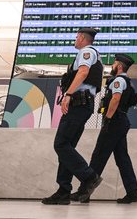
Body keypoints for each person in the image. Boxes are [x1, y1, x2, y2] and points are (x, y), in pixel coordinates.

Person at [42, 27, 104, 205]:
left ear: (83, 38)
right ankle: (63, 190)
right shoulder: (94, 54)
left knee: (61, 144)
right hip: (84, 104)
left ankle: (89, 176)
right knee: (67, 147)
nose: (75, 40)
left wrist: (67, 95)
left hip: (78, 103)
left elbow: (83, 73)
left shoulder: (86, 52)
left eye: (77, 37)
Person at [70, 54, 137, 203]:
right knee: (122, 159)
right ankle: (133, 192)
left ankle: (84, 192)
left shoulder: (118, 81)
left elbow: (115, 100)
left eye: (114, 64)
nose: (112, 67)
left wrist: (107, 120)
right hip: (122, 121)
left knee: (98, 156)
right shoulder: (128, 82)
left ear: (120, 67)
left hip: (114, 122)